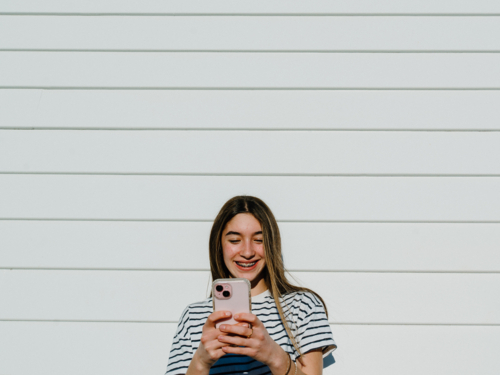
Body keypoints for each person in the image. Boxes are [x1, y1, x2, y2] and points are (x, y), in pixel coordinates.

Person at [166, 196, 336, 375]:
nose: (247, 252)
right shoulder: (193, 317)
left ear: (271, 244)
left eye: (259, 240)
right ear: (219, 245)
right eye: (234, 240)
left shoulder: (301, 307)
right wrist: (200, 362)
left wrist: (274, 356)